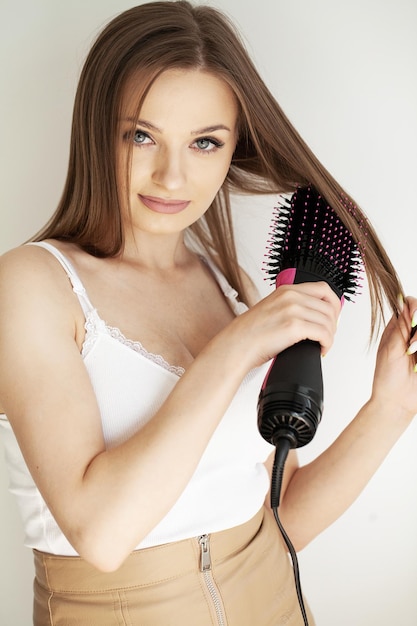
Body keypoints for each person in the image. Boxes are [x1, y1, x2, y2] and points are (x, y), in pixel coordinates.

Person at [0, 2, 416, 624]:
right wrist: (240, 344)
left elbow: (283, 522)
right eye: (141, 135)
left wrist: (390, 409)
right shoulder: (32, 286)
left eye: (204, 142)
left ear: (231, 151)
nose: (171, 175)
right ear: (95, 130)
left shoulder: (229, 286)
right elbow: (101, 535)